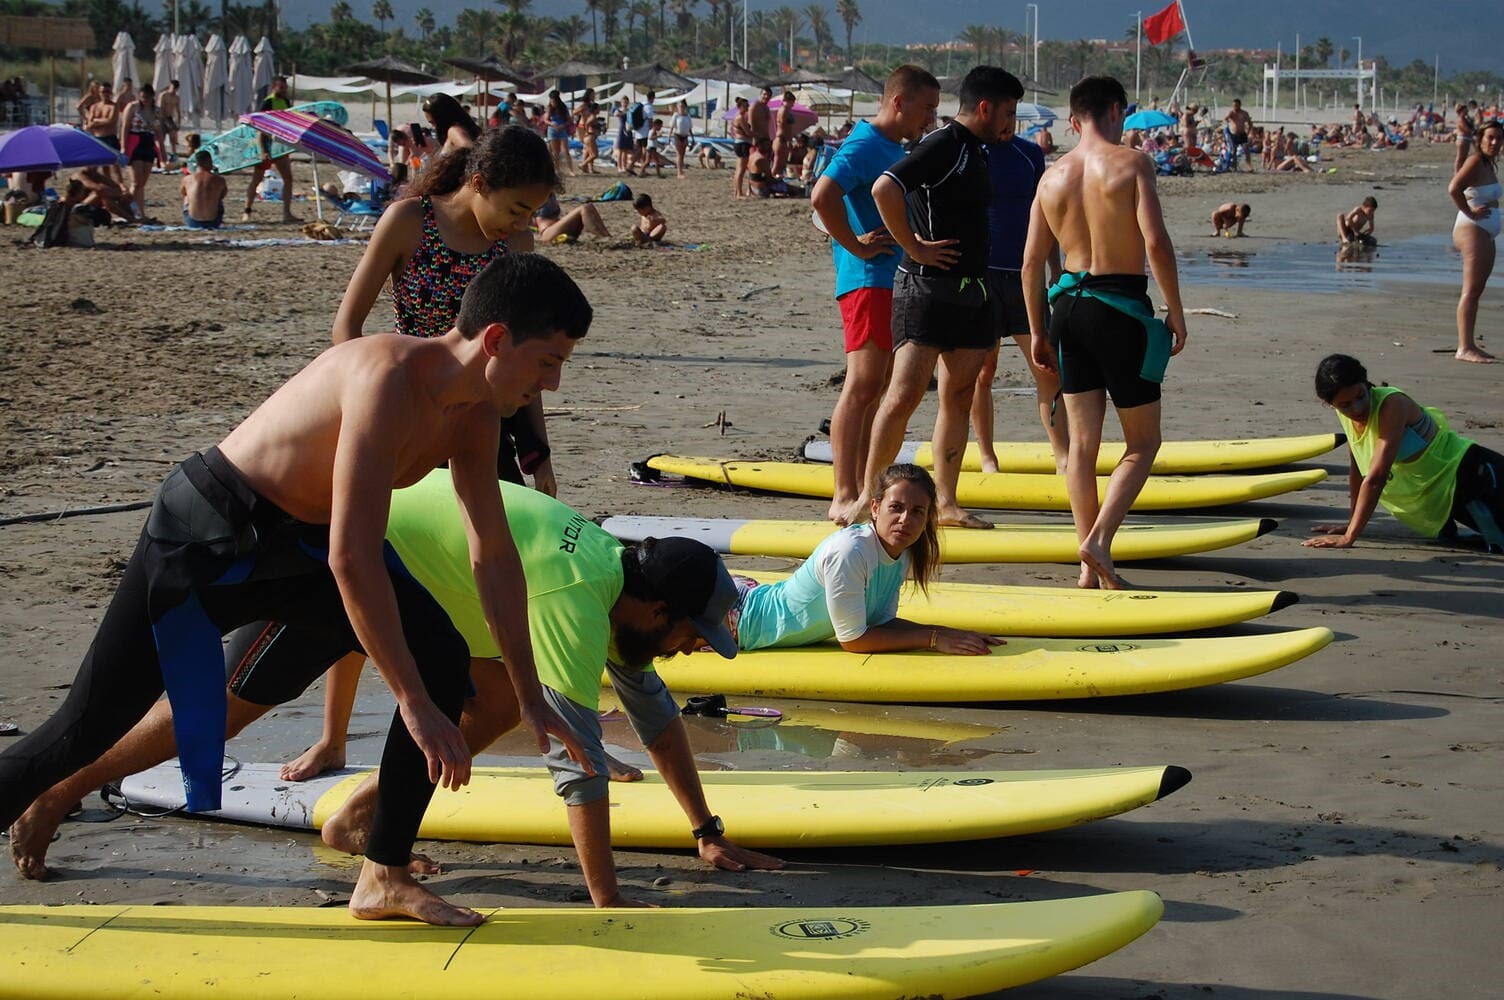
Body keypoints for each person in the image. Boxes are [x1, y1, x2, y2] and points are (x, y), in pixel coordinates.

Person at [0, 252, 593, 927]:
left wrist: (527, 693)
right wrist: (412, 704)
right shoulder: (390, 376)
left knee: (442, 655)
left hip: (299, 544)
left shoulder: (475, 418)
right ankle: (44, 793)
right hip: (208, 536)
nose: (555, 383)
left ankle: (383, 876)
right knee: (84, 726)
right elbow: (352, 555)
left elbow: (494, 555)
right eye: (549, 361)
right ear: (495, 340)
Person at [8, 472, 784, 904]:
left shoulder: (625, 586)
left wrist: (705, 830)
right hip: (334, 568)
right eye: (693, 634)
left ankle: (363, 816)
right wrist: (609, 905)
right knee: (215, 719)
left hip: (415, 587)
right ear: (657, 611)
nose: (692, 651)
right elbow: (575, 770)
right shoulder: (576, 601)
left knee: (498, 698)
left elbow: (659, 723)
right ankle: (59, 789)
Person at [837, 66, 1022, 531]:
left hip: (972, 292)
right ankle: (866, 500)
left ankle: (947, 503)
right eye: (1008, 113)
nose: (1011, 123)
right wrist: (914, 246)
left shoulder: (976, 151)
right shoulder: (943, 144)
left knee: (958, 396)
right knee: (902, 396)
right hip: (926, 291)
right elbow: (885, 189)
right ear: (985, 108)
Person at [1022, 75, 1188, 590]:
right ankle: (1098, 541)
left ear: (1073, 120)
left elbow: (1030, 263)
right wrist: (1176, 310)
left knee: (1081, 448)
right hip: (1119, 307)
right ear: (1116, 112)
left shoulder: (1050, 177)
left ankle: (1086, 569)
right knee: (1142, 443)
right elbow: (1155, 242)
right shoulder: (1132, 162)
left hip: (1066, 308)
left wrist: (1037, 332)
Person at [331, 126, 560, 495]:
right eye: (516, 210)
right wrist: (371, 409)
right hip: (409, 411)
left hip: (481, 416)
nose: (520, 224)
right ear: (479, 183)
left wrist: (540, 456)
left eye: (530, 214)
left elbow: (522, 356)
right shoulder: (408, 222)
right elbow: (346, 327)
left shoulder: (516, 244)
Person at [811, 65, 940, 524]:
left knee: (880, 386)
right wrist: (855, 244)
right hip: (866, 280)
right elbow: (822, 195)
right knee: (863, 385)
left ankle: (865, 489)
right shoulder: (866, 143)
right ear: (898, 101)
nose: (930, 118)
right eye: (926, 108)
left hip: (889, 279)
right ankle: (843, 492)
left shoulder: (890, 147)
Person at [731, 464, 1001, 655]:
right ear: (875, 508)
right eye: (896, 508)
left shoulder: (903, 550)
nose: (905, 519)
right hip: (735, 620)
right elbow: (853, 640)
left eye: (918, 511)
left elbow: (880, 624)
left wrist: (946, 632)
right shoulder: (850, 551)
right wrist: (932, 639)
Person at [1304, 354, 1503, 553]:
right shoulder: (1345, 411)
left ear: (1365, 383)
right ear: (1329, 403)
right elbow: (1357, 466)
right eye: (1345, 405)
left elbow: (1376, 477)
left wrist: (1350, 537)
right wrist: (1351, 523)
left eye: (1360, 396)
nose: (1357, 408)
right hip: (1451, 495)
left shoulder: (1392, 404)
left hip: (1480, 476)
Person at [977, 95, 1063, 476]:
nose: (1009, 121)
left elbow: (1046, 216)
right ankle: (986, 456)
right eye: (1004, 113)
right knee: (982, 372)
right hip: (979, 277)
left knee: (1047, 367)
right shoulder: (969, 152)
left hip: (1024, 277)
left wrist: (1056, 268)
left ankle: (1062, 455)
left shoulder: (1030, 155)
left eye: (1014, 114)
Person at [1448, 119, 1500, 364]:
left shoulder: (1488, 163)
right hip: (1472, 229)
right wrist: (1470, 213)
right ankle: (1464, 347)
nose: (1494, 142)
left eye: (1499, 138)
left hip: (1483, 231)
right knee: (1469, 291)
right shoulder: (1476, 161)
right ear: (1480, 139)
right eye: (1490, 137)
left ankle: (1469, 343)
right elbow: (1453, 188)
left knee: (1476, 291)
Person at [243, 75, 297, 223]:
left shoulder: (286, 102)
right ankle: (247, 211)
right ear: (274, 87)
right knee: (257, 178)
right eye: (281, 87)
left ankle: (287, 213)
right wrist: (263, 151)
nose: (284, 90)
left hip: (280, 146)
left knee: (288, 178)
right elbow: (260, 127)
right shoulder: (268, 102)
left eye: (285, 88)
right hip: (266, 144)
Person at [117, 83, 164, 222]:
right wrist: (123, 147)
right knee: (136, 181)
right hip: (135, 141)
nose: (145, 100)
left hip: (148, 142)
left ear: (152, 97)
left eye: (147, 98)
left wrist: (162, 151)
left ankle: (138, 212)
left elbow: (159, 131)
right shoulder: (132, 107)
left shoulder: (156, 110)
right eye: (143, 97)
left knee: (142, 182)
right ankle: (131, 210)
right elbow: (125, 127)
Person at [84, 83, 122, 187]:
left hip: (110, 138)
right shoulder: (94, 106)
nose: (105, 94)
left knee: (115, 168)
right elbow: (90, 123)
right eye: (103, 91)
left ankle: (120, 188)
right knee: (92, 168)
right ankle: (95, 188)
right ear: (99, 93)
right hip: (97, 139)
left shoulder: (113, 106)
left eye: (108, 92)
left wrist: (96, 121)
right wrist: (99, 122)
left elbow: (111, 121)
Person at [533, 194, 610, 243]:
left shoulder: (546, 190)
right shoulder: (536, 191)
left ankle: (606, 236)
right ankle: (605, 238)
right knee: (585, 208)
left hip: (555, 230)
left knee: (588, 207)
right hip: (547, 233)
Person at [180, 150, 227, 229]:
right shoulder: (220, 179)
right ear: (209, 161)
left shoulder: (187, 179)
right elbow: (223, 195)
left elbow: (183, 193)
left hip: (192, 221)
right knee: (217, 195)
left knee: (187, 196)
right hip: (214, 222)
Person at [424, 93, 481, 158]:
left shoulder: (454, 130)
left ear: (442, 118)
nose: (433, 127)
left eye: (433, 122)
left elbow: (469, 149)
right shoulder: (462, 128)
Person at [544, 90, 575, 178]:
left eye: (553, 101)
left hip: (562, 129)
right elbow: (546, 120)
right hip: (552, 130)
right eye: (551, 101)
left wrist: (563, 125)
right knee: (555, 152)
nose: (552, 102)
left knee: (566, 150)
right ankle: (557, 169)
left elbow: (569, 120)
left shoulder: (563, 107)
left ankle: (570, 170)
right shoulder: (549, 108)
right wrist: (552, 124)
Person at [730, 96, 754, 198]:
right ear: (740, 107)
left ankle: (737, 191)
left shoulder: (738, 117)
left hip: (740, 143)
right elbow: (747, 132)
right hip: (742, 143)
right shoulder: (740, 117)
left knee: (739, 169)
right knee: (741, 169)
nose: (747, 108)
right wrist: (756, 133)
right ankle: (739, 193)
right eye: (745, 106)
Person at [574, 88, 600, 174]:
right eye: (593, 94)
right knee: (588, 146)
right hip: (583, 127)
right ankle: (585, 165)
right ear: (588, 95)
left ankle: (588, 167)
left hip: (588, 126)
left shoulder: (591, 105)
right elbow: (574, 112)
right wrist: (581, 115)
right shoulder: (584, 105)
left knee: (589, 147)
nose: (594, 96)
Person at [1223, 98, 1253, 170]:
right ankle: (1234, 166)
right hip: (1233, 134)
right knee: (1234, 150)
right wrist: (1227, 121)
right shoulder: (1231, 113)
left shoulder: (1244, 113)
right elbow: (1225, 119)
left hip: (1242, 133)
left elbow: (1249, 123)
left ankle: (1249, 165)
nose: (1235, 107)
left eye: (1236, 105)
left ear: (1239, 105)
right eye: (1233, 105)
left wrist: (1248, 131)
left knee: (1246, 149)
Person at [772, 90, 797, 178]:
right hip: (781, 138)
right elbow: (783, 126)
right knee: (777, 161)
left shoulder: (787, 111)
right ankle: (771, 178)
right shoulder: (783, 110)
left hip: (785, 138)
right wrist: (788, 140)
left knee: (782, 162)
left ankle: (777, 179)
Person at [632, 90, 657, 175]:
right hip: (645, 131)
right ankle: (642, 168)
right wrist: (652, 130)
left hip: (638, 130)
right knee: (643, 150)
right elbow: (650, 120)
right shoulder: (649, 107)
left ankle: (632, 165)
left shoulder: (642, 105)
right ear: (652, 97)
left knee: (639, 150)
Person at [159, 80, 181, 164]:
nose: (173, 90)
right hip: (161, 118)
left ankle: (173, 154)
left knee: (173, 136)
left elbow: (178, 111)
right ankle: (161, 155)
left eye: (175, 89)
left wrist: (179, 122)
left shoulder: (176, 98)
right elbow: (160, 108)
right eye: (172, 88)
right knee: (162, 138)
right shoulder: (164, 95)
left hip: (169, 118)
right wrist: (163, 120)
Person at [670, 100, 694, 178]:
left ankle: (681, 170)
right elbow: (672, 127)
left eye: (683, 106)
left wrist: (692, 138)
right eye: (680, 106)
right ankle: (679, 172)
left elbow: (690, 128)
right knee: (679, 154)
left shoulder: (687, 116)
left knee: (682, 155)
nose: (681, 108)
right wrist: (669, 137)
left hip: (685, 136)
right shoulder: (676, 116)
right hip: (677, 135)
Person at [751, 87, 773, 162]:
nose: (766, 96)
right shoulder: (755, 105)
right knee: (756, 161)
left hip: (765, 138)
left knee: (765, 161)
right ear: (760, 94)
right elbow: (751, 122)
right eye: (764, 94)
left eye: (768, 95)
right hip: (757, 138)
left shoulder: (766, 108)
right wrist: (754, 137)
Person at [613, 95, 634, 173]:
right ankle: (619, 166)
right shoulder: (619, 110)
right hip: (622, 129)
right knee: (620, 150)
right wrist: (622, 113)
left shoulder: (630, 111)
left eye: (626, 102)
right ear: (621, 103)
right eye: (623, 102)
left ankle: (624, 166)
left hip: (628, 129)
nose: (625, 103)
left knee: (626, 150)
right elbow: (616, 114)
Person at [1454, 102, 1475, 174]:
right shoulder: (1460, 119)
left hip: (1466, 139)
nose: (1467, 111)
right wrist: (1473, 130)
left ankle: (1460, 172)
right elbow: (1466, 129)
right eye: (1465, 110)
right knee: (1460, 157)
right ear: (1462, 110)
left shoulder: (1464, 118)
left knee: (1463, 158)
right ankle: (1456, 173)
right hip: (1462, 139)